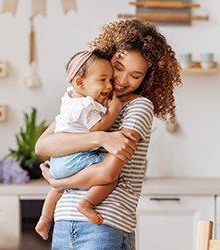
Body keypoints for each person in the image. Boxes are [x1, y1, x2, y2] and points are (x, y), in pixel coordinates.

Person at [35, 18, 182, 250]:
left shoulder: (139, 106)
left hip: (104, 225)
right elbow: (43, 146)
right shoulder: (87, 102)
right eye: (118, 68)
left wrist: (57, 181)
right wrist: (101, 137)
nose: (122, 81)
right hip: (63, 222)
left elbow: (107, 173)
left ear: (148, 78)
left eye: (135, 76)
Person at [35, 48, 124, 240]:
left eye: (110, 79)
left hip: (58, 161)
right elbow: (98, 128)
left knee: (57, 188)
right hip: (75, 158)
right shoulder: (86, 105)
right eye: (103, 80)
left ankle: (44, 218)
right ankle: (87, 204)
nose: (109, 86)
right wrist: (114, 110)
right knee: (111, 175)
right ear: (80, 82)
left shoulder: (69, 99)